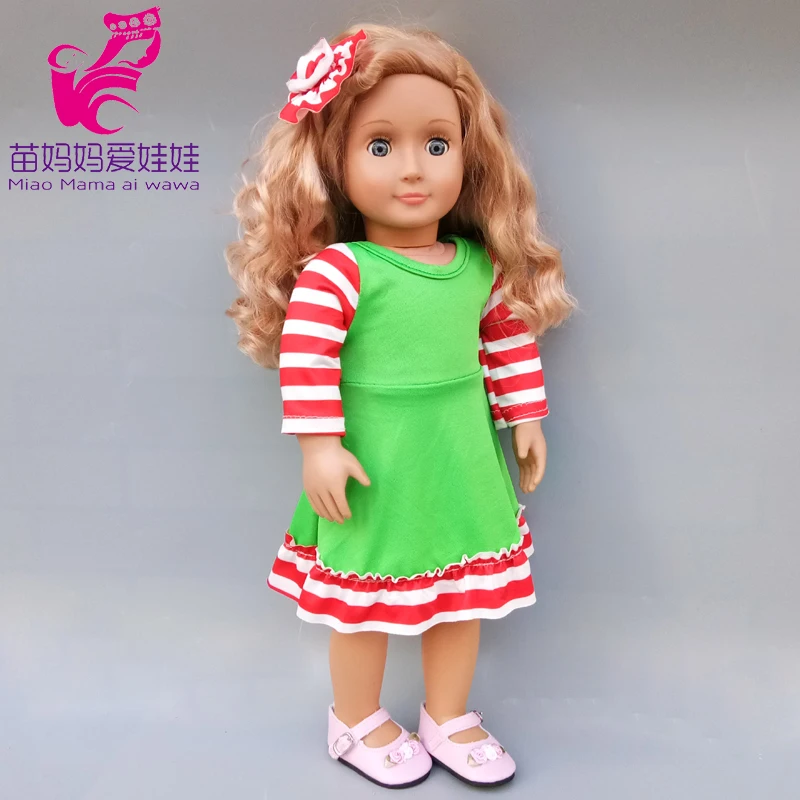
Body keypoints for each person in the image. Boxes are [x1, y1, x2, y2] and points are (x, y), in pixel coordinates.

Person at [225, 23, 576, 789]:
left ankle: (447, 714)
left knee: (461, 596)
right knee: (363, 602)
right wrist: (319, 446)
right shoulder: (340, 271)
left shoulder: (477, 266)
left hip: (459, 457)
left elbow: (506, 339)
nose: (413, 168)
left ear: (467, 156)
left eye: (436, 144)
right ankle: (354, 718)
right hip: (375, 466)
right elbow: (307, 357)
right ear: (336, 163)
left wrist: (526, 418)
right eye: (380, 145)